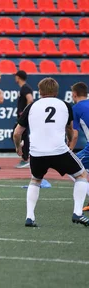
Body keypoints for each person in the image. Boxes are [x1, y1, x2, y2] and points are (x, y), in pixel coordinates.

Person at [13, 77, 89, 227]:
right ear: (56, 91)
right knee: (81, 175)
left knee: (35, 180)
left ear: (40, 91)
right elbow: (70, 130)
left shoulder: (32, 107)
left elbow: (17, 133)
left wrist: (18, 147)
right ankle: (78, 213)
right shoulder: (65, 105)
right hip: (58, 150)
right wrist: (68, 142)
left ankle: (30, 217)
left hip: (37, 152)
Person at [70, 82, 89, 211]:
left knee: (72, 167)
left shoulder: (76, 108)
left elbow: (74, 134)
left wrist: (68, 150)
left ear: (74, 94)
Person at [14, 70, 34, 168]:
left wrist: (25, 112)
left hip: (24, 117)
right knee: (19, 135)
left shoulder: (25, 88)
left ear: (18, 77)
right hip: (22, 116)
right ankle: (25, 156)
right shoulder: (24, 88)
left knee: (23, 136)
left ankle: (25, 158)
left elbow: (30, 100)